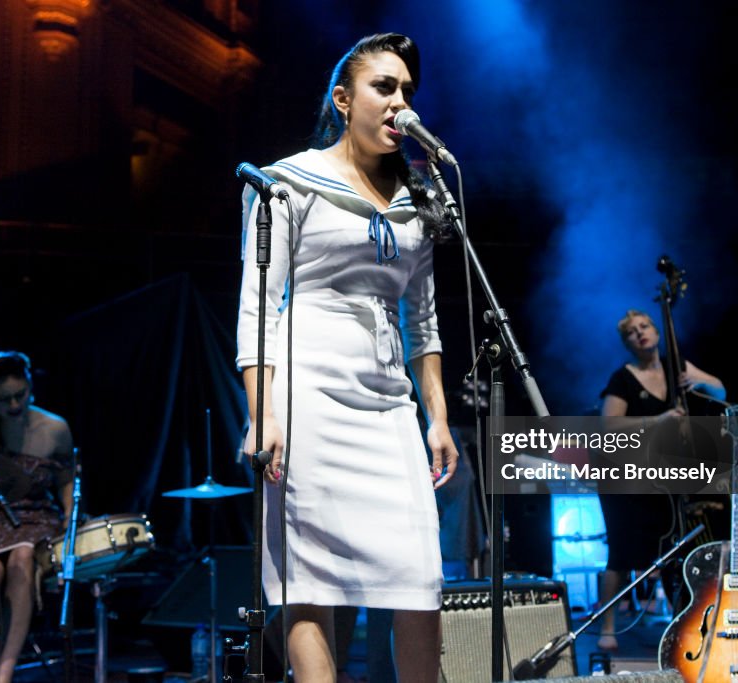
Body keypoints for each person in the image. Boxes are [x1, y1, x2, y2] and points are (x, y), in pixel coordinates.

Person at [236, 33, 459, 683]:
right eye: (383, 87)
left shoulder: (418, 200)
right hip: (309, 401)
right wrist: (262, 412)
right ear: (343, 99)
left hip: (388, 405)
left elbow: (425, 318)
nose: (399, 102)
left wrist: (437, 415)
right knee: (314, 579)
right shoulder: (286, 184)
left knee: (420, 578)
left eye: (407, 92)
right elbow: (256, 308)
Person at [596, 310, 724, 651]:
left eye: (645, 327)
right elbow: (609, 428)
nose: (641, 334)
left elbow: (721, 391)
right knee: (622, 553)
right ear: (627, 343)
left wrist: (702, 386)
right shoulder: (622, 379)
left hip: (661, 476)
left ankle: (681, 623)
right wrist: (659, 420)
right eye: (632, 333)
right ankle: (606, 626)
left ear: (656, 330)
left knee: (672, 548)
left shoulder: (676, 365)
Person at [0, 351, 73, 683]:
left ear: (31, 387)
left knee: (23, 558)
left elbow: (67, 479)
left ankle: (3, 676)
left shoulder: (55, 428)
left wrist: (69, 516)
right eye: (3, 399)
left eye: (19, 395)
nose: (13, 405)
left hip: (36, 518)